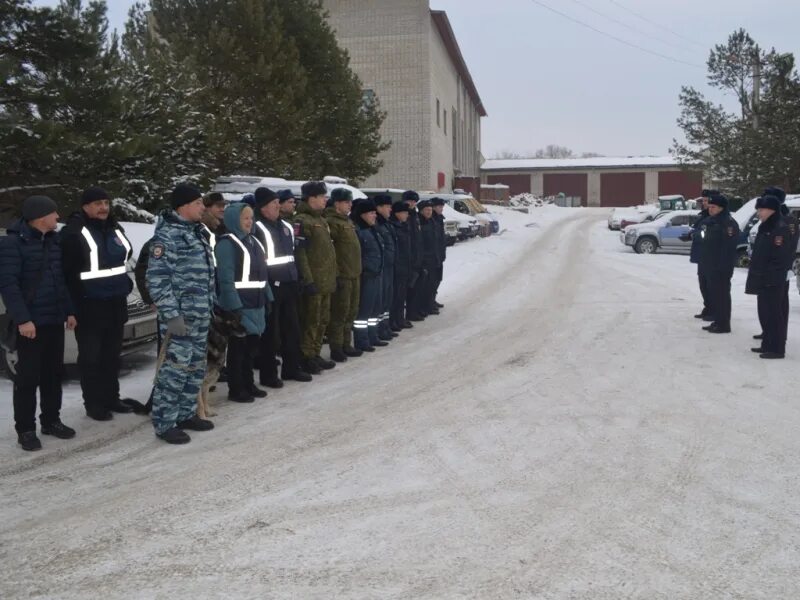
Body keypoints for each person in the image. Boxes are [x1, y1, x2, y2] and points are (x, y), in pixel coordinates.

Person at [0, 195, 76, 451]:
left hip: (53, 319)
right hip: (30, 324)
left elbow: (59, 280)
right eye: (54, 213)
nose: (58, 218)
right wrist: (23, 319)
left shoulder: (53, 241)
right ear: (41, 216)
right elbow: (9, 286)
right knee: (27, 379)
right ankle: (26, 429)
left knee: (53, 375)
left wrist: (69, 311)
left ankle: (51, 420)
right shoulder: (12, 244)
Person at [146, 184, 216, 444]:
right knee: (173, 370)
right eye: (198, 203)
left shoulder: (197, 232)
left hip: (200, 314)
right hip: (180, 319)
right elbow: (157, 280)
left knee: (195, 367)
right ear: (183, 206)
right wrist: (171, 314)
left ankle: (186, 413)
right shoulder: (167, 237)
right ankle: (165, 422)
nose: (202, 208)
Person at [60, 187, 135, 421]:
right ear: (85, 207)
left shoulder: (115, 228)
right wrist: (70, 308)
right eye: (97, 204)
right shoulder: (73, 233)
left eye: (105, 202)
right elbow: (66, 274)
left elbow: (123, 262)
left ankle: (112, 397)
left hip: (115, 302)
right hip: (89, 305)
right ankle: (93, 403)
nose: (103, 208)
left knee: (112, 356)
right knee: (91, 358)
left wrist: (126, 287)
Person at [252, 187, 311, 385]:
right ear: (262, 208)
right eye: (273, 204)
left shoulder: (286, 226)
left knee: (292, 329)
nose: (278, 206)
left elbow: (293, 255)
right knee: (271, 334)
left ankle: (291, 368)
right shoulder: (257, 228)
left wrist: (298, 278)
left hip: (289, 284)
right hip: (271, 286)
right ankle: (269, 375)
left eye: (278, 203)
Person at [215, 201, 273, 401]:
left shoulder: (254, 241)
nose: (249, 222)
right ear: (234, 220)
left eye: (251, 218)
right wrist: (233, 306)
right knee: (238, 351)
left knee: (251, 350)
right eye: (245, 218)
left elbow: (262, 274)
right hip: (240, 305)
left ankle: (249, 384)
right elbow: (225, 278)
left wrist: (268, 297)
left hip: (256, 303)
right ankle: (237, 388)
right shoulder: (227, 244)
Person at [294, 181, 337, 374]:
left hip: (326, 280)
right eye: (322, 196)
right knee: (311, 321)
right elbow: (301, 254)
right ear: (312, 198)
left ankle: (316, 352)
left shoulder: (321, 220)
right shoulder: (302, 221)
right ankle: (306, 356)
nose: (325, 200)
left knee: (323, 319)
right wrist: (308, 279)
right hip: (314, 281)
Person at [746, 194, 794, 359]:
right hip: (763, 277)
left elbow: (780, 257)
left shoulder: (779, 228)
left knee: (774, 314)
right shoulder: (765, 226)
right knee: (764, 312)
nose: (758, 212)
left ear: (771, 210)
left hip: (772, 279)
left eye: (761, 209)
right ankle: (767, 343)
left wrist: (770, 276)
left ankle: (777, 348)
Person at [324, 188, 363, 362]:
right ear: (337, 203)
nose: (350, 205)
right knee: (340, 313)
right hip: (343, 275)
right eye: (347, 202)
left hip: (354, 272)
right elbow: (331, 251)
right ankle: (337, 347)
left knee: (351, 311)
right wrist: (337, 274)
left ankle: (347, 344)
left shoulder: (347, 221)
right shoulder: (332, 222)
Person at [698, 193, 740, 334]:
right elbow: (705, 240)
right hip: (710, 265)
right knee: (714, 295)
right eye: (709, 206)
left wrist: (722, 267)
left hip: (721, 267)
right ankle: (717, 320)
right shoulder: (711, 221)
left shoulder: (728, 224)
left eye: (713, 207)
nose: (710, 209)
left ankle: (723, 324)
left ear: (722, 208)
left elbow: (728, 248)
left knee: (722, 295)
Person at [351, 200, 385, 351]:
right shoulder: (358, 230)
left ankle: (373, 336)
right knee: (364, 311)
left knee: (374, 309)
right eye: (371, 213)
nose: (374, 216)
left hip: (376, 274)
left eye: (374, 213)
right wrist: (365, 269)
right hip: (366, 275)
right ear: (363, 214)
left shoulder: (372, 229)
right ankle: (361, 340)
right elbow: (358, 255)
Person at [682, 192, 713, 321]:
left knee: (710, 286)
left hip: (710, 257)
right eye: (703, 201)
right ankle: (708, 308)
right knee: (703, 285)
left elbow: (707, 235)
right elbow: (699, 230)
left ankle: (714, 310)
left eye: (707, 201)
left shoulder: (713, 218)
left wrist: (694, 235)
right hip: (702, 256)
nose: (704, 203)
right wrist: (691, 234)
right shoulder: (704, 216)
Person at [373, 194, 398, 340]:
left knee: (387, 299)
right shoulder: (376, 224)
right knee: (380, 301)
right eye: (387, 206)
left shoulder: (387, 223)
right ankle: (378, 330)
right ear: (379, 207)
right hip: (381, 268)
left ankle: (385, 326)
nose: (390, 209)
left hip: (389, 266)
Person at [389, 201, 413, 331]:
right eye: (404, 213)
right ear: (397, 213)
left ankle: (399, 319)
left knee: (402, 296)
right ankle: (393, 320)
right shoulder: (394, 227)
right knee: (396, 297)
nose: (406, 215)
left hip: (405, 265)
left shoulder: (404, 226)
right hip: (397, 267)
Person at [403, 190, 425, 321]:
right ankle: (407, 314)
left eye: (413, 201)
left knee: (416, 287)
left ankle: (413, 311)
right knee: (407, 289)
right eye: (409, 201)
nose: (411, 203)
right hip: (408, 257)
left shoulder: (415, 216)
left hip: (417, 255)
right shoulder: (404, 215)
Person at [416, 200, 440, 317]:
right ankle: (422, 307)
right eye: (427, 210)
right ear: (421, 211)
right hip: (424, 258)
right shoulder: (419, 222)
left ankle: (429, 305)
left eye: (430, 210)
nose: (429, 212)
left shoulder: (432, 222)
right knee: (423, 286)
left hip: (433, 258)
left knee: (431, 284)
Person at [428, 197, 447, 314]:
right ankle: (429, 302)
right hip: (432, 255)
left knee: (437, 279)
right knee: (432, 281)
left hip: (439, 254)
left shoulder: (439, 219)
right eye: (439, 207)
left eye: (442, 207)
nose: (441, 209)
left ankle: (432, 300)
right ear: (434, 207)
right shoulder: (432, 219)